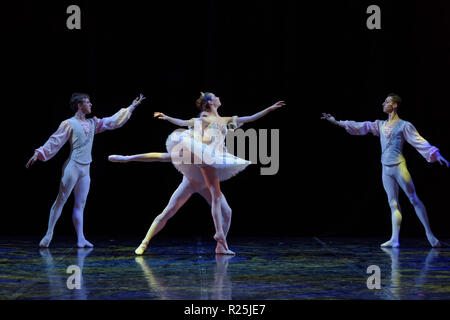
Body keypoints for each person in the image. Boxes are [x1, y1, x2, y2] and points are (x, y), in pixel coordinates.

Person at [109, 92, 286, 254]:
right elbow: (185, 123)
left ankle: (220, 247)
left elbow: (249, 119)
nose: (219, 97)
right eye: (215, 96)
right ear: (210, 102)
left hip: (208, 173)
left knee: (228, 212)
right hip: (196, 173)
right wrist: (170, 118)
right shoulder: (203, 118)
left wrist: (269, 109)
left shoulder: (225, 120)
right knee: (169, 207)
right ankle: (144, 242)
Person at [321, 93, 448, 248]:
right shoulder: (380, 124)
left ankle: (430, 235)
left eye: (387, 102)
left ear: (394, 105)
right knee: (393, 203)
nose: (383, 103)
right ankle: (395, 239)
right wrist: (336, 122)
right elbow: (361, 125)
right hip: (385, 168)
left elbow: (418, 140)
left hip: (399, 166)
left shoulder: (404, 125)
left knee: (413, 198)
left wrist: (435, 153)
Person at [26, 93, 146, 248]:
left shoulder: (93, 123)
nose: (91, 105)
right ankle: (49, 234)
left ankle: (81, 239)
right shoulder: (68, 123)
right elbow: (55, 140)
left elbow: (112, 121)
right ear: (79, 105)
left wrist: (131, 107)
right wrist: (39, 153)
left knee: (80, 204)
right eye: (87, 103)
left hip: (85, 169)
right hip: (73, 167)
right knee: (61, 200)